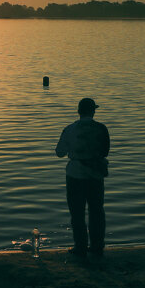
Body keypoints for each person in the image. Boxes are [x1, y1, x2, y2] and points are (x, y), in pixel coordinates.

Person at [55, 98, 110, 259]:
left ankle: (80, 247)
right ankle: (97, 246)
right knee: (97, 211)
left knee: (77, 212)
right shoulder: (101, 128)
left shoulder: (69, 129)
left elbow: (59, 152)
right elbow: (105, 151)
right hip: (95, 174)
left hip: (75, 174)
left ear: (78, 111)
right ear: (93, 111)